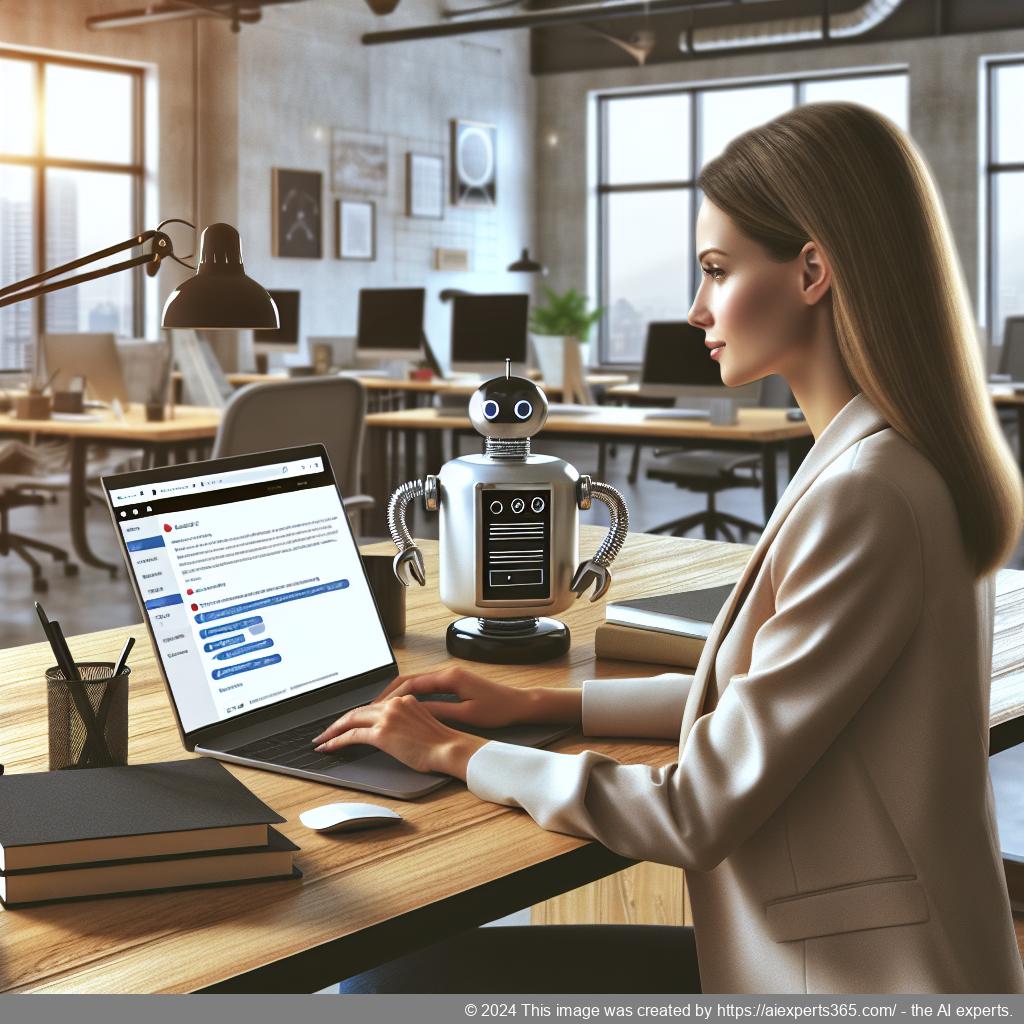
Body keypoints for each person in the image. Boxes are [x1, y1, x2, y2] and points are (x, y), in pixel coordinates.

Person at [317, 102, 1024, 994]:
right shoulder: (878, 459)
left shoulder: (868, 496)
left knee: (384, 986)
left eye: (719, 272)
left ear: (813, 270)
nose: (696, 310)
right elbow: (759, 695)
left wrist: (453, 753)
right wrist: (543, 706)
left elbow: (693, 812)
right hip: (845, 956)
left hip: (847, 982)